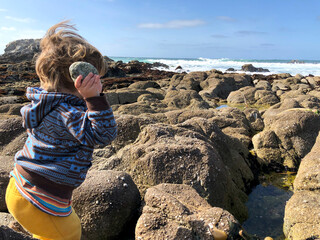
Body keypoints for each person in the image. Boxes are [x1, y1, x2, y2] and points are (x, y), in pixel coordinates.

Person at [5, 20, 117, 240]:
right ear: (78, 82)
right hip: (39, 198)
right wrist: (94, 99)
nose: (100, 85)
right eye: (95, 80)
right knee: (70, 233)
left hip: (20, 185)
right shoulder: (68, 113)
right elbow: (104, 134)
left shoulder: (43, 102)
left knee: (49, 232)